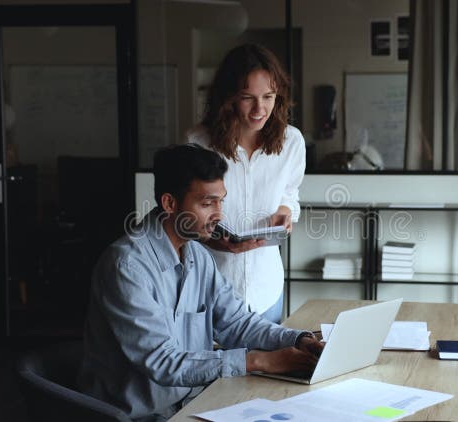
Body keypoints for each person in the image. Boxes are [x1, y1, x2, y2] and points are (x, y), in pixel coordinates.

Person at [77, 144, 323, 421]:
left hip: (193, 402)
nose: (219, 215)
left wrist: (299, 339)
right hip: (142, 416)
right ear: (170, 203)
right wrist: (259, 361)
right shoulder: (126, 267)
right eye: (207, 203)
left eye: (221, 201)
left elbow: (237, 322)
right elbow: (163, 362)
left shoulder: (197, 255)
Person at [188, 44, 306, 323]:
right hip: (211, 289)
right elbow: (184, 213)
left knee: (264, 367)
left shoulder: (292, 142)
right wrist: (215, 241)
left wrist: (286, 212)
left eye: (268, 96)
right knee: (216, 367)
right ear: (227, 98)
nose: (260, 109)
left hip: (267, 291)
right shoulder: (197, 143)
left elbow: (290, 193)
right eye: (247, 97)